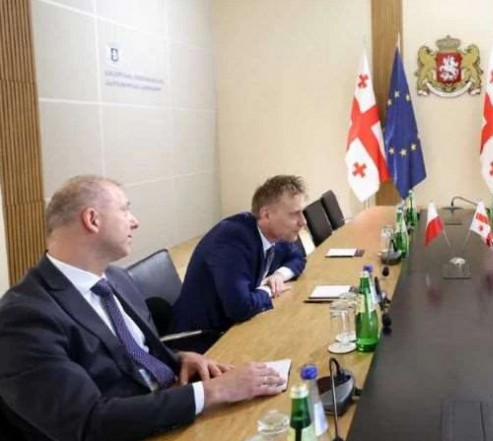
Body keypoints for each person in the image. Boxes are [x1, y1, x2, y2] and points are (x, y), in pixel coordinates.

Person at [0, 176, 285, 440]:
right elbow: (87, 422)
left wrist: (177, 360)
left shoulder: (117, 278)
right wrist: (212, 391)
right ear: (92, 220)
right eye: (125, 210)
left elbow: (129, 354)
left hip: (166, 409)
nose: (134, 222)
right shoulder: (23, 317)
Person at [170, 175, 307, 333]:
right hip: (205, 337)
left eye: (302, 212)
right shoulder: (232, 240)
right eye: (294, 214)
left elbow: (298, 257)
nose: (303, 222)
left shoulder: (276, 234)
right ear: (266, 215)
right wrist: (268, 290)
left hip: (237, 326)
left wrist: (279, 275)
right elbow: (240, 307)